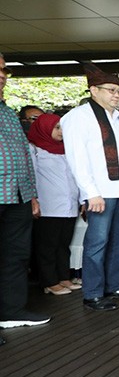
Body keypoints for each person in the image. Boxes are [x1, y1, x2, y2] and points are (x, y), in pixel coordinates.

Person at [61, 64, 119, 311]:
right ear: (93, 90)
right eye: (110, 90)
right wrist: (90, 192)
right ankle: (93, 293)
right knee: (97, 243)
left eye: (118, 90)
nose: (116, 95)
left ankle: (114, 285)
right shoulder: (78, 117)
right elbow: (77, 159)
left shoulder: (116, 118)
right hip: (100, 192)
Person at [0, 55, 50, 339]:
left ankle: (11, 310)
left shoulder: (7, 112)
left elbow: (23, 158)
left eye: (4, 70)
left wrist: (30, 194)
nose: (2, 75)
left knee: (16, 256)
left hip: (17, 195)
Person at [27, 113, 82, 295]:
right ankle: (50, 281)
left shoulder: (65, 150)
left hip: (69, 206)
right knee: (47, 246)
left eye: (61, 127)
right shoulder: (35, 150)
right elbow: (31, 176)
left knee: (63, 244)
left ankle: (63, 277)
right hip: (48, 206)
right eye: (56, 127)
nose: (60, 131)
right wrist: (34, 200)